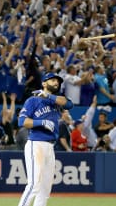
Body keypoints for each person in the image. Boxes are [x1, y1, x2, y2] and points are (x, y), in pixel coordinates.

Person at [17, 72, 73, 206]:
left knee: (45, 189)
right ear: (44, 83)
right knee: (34, 184)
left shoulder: (55, 100)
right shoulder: (33, 100)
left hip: (50, 146)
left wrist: (48, 96)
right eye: (52, 80)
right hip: (36, 144)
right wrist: (40, 122)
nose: (56, 83)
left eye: (57, 81)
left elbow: (69, 104)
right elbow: (22, 121)